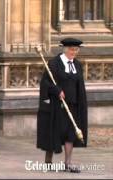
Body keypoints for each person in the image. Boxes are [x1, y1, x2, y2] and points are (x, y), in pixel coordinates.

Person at [37, 38, 88, 173]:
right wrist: (57, 90)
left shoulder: (77, 65)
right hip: (56, 106)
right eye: (72, 49)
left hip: (73, 106)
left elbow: (79, 86)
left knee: (70, 134)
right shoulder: (54, 64)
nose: (74, 52)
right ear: (65, 49)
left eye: (76, 50)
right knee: (54, 131)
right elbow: (46, 83)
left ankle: (68, 163)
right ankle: (48, 162)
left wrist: (81, 104)